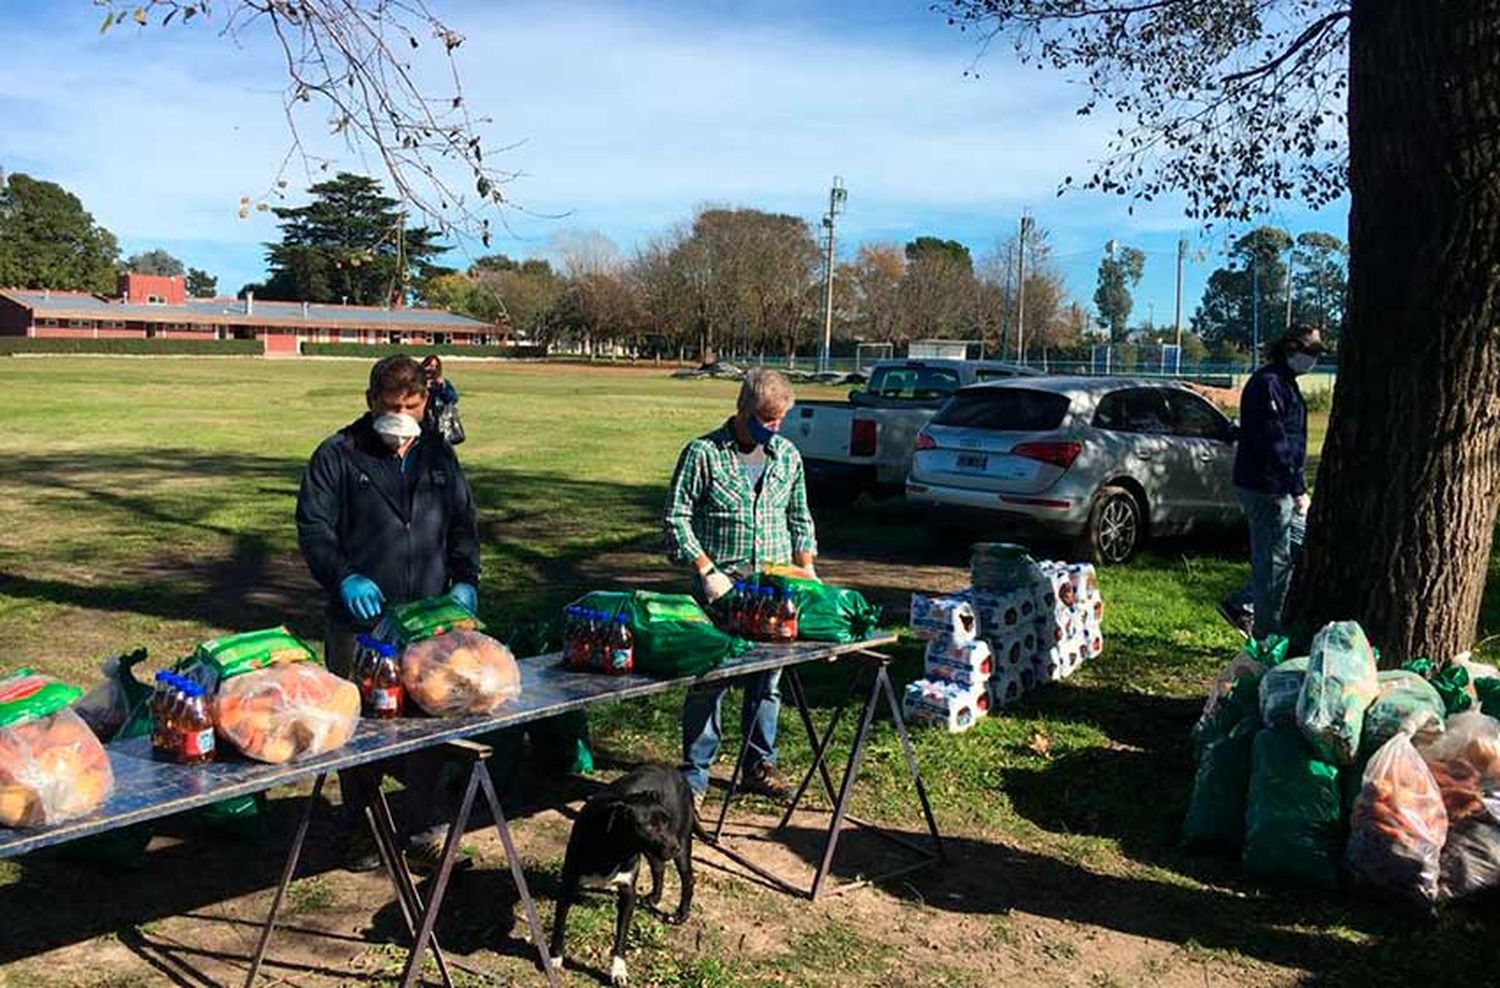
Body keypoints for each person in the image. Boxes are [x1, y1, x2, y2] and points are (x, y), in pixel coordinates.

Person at [296, 354, 481, 870]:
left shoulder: (438, 457)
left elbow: (463, 525)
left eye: (412, 405)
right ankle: (361, 829)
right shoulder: (337, 455)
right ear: (370, 401)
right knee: (359, 724)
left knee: (427, 719)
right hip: (359, 621)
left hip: (426, 617)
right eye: (391, 405)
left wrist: (465, 579)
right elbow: (314, 529)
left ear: (425, 404)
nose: (401, 415)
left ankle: (423, 830)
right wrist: (341, 575)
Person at [663, 368, 818, 811]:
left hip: (774, 593)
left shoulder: (787, 456)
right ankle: (695, 774)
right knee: (711, 680)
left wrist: (807, 571)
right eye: (766, 420)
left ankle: (759, 764)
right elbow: (676, 518)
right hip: (722, 591)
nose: (773, 428)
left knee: (768, 683)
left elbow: (799, 517)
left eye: (779, 420)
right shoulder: (703, 454)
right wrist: (706, 569)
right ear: (743, 410)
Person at [1229, 326, 1324, 640]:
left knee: (1299, 546)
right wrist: (1297, 488)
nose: (1314, 359)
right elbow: (1275, 442)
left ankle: (1241, 602)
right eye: (1311, 351)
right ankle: (1269, 638)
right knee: (1275, 563)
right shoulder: (1269, 384)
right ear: (1291, 348)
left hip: (1279, 485)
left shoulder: (1286, 383)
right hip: (1266, 487)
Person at [421, 354, 464, 445]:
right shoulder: (417, 382)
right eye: (428, 365)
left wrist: (443, 387)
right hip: (422, 422)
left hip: (439, 422)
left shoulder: (442, 383)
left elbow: (453, 399)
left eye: (434, 367)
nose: (430, 369)